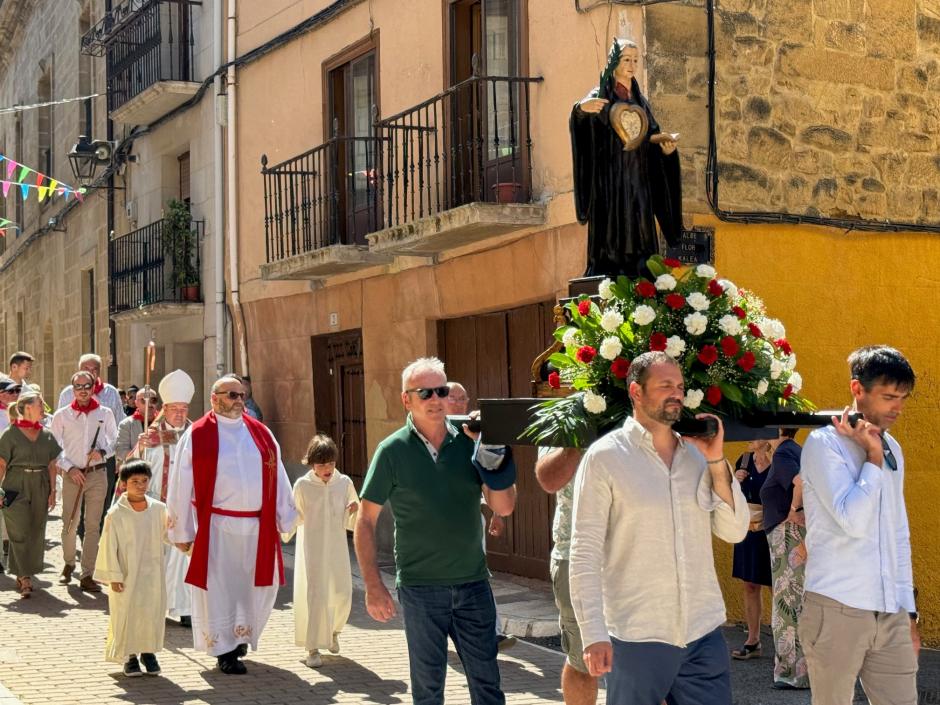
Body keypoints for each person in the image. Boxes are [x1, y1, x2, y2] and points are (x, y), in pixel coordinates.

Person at [569, 352, 749, 705]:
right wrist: (592, 633)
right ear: (636, 391)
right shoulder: (605, 457)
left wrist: (715, 461)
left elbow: (734, 531)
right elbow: (584, 551)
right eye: (665, 385)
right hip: (637, 635)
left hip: (702, 632)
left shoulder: (699, 456)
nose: (677, 394)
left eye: (680, 386)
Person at [355, 357, 517, 705]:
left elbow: (504, 506)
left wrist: (492, 451)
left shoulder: (470, 441)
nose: (435, 399)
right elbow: (365, 520)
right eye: (424, 392)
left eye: (441, 391)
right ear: (406, 400)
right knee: (428, 691)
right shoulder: (391, 451)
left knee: (488, 687)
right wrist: (372, 585)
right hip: (420, 589)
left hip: (473, 585)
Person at [798, 346, 919, 705]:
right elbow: (852, 519)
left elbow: (898, 534)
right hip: (837, 607)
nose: (897, 407)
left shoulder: (892, 445)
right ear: (857, 389)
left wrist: (908, 609)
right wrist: (873, 457)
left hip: (890, 610)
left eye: (902, 398)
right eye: (888, 397)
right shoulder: (823, 444)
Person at [167, 375, 296, 675]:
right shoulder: (198, 434)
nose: (240, 400)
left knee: (252, 589)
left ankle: (241, 639)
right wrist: (182, 531)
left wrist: (285, 516)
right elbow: (180, 484)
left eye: (242, 395)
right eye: (232, 395)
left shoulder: (261, 434)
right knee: (221, 590)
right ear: (215, 398)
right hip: (218, 528)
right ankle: (224, 650)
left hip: (256, 528)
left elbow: (278, 478)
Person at [570, 36, 682, 277]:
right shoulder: (599, 95)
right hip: (609, 179)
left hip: (639, 177)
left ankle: (643, 268)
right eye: (626, 60)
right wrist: (580, 110)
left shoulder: (641, 103)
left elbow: (650, 136)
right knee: (612, 228)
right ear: (614, 63)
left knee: (641, 224)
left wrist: (666, 149)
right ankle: (609, 269)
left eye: (635, 60)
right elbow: (582, 126)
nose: (631, 65)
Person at [446, 380, 517, 653]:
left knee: (477, 574)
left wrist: (498, 512)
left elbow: (495, 476)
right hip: (436, 524)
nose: (460, 404)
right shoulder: (432, 434)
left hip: (470, 520)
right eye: (453, 398)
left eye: (463, 399)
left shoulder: (477, 433)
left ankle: (493, 632)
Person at [287, 434, 359, 668]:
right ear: (311, 463)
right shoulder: (303, 486)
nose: (327, 468)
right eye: (321, 464)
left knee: (342, 593)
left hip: (338, 548)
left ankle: (334, 631)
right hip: (312, 550)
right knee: (316, 595)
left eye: (330, 463)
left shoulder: (344, 483)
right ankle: (313, 649)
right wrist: (280, 526)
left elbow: (353, 519)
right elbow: (293, 516)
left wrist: (354, 511)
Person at [131, 369, 194, 628]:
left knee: (184, 559)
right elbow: (133, 469)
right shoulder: (151, 436)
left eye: (184, 408)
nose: (180, 414)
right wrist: (142, 448)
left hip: (187, 510)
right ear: (164, 409)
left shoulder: (196, 434)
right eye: (174, 408)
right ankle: (156, 606)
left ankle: (186, 608)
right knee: (157, 560)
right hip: (157, 505)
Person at [94, 460, 167, 677]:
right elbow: (108, 546)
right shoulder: (116, 514)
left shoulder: (159, 509)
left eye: (144, 481)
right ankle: (130, 656)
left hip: (152, 573)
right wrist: (113, 576)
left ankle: (148, 652)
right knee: (127, 613)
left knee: (150, 612)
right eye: (135, 481)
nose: (141, 485)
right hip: (126, 574)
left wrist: (186, 544)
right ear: (124, 483)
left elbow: (169, 535)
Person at [536, 447, 597, 705]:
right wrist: (578, 440)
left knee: (644, 663)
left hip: (633, 558)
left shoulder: (639, 418)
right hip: (574, 557)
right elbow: (549, 478)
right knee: (582, 660)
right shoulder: (564, 420)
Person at [50, 370, 118, 592]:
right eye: (77, 387)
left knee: (92, 525)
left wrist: (102, 452)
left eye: (86, 386)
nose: (82, 391)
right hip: (72, 476)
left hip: (97, 474)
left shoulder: (105, 413)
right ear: (72, 389)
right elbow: (54, 448)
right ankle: (69, 563)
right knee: (69, 523)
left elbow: (114, 441)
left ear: (93, 387)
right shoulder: (61, 415)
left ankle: (87, 573)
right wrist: (69, 467)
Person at [759, 427, 809, 689]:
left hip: (787, 535)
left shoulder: (784, 453)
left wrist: (794, 509)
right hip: (792, 534)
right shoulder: (795, 450)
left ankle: (791, 674)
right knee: (797, 601)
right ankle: (801, 672)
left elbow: (800, 481)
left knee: (786, 604)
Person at [0, 391, 62, 597]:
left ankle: (26, 571)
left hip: (41, 484)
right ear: (27, 408)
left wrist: (53, 491)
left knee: (36, 529)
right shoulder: (9, 434)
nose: (43, 407)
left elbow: (52, 465)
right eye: (39, 404)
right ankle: (23, 575)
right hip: (14, 485)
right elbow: (1, 465)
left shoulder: (47, 434)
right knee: (19, 530)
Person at [58, 354, 126, 529]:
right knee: (77, 503)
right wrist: (63, 462)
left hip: (104, 459)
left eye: (94, 369)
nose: (91, 372)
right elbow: (59, 428)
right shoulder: (67, 394)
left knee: (103, 499)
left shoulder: (111, 392)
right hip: (74, 459)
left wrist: (117, 457)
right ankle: (81, 533)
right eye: (86, 368)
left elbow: (119, 426)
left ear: (99, 371)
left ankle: (98, 538)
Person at [729, 440, 773, 661]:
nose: (748, 438)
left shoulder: (778, 463)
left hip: (772, 530)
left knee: (778, 585)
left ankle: (786, 641)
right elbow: (731, 497)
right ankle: (753, 640)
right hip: (748, 530)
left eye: (754, 435)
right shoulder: (744, 461)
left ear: (766, 439)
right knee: (750, 584)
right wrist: (735, 483)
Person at [114, 388, 160, 465]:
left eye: (153, 400)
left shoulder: (163, 422)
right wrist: (139, 449)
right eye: (144, 401)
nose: (149, 404)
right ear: (136, 403)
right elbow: (121, 452)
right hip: (137, 471)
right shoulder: (126, 424)